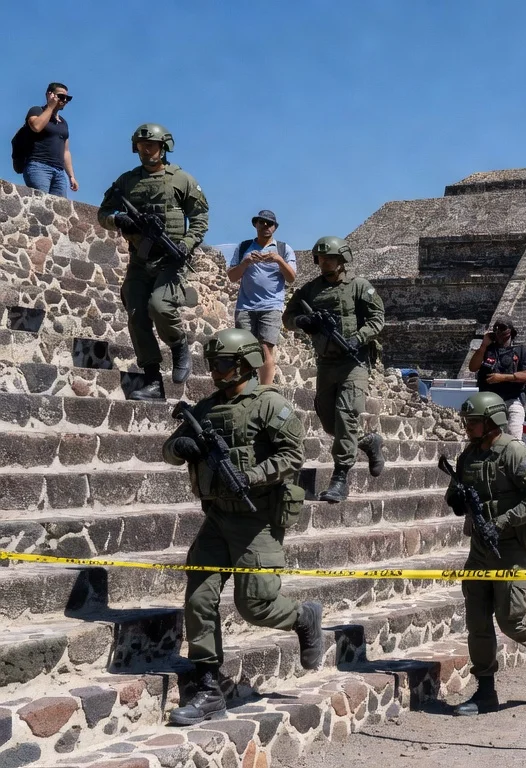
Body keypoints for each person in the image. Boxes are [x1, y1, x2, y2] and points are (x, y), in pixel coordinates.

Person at [161, 329, 322, 726]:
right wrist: (180, 447)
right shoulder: (206, 407)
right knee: (199, 598)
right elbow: (169, 448)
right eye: (212, 364)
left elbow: (292, 456)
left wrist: (251, 475)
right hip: (217, 517)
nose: (215, 372)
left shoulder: (270, 405)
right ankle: (208, 687)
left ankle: (303, 617)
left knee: (257, 606)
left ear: (246, 364)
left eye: (222, 364)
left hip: (257, 519)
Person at [449, 392, 526, 715]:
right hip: (480, 549)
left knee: (512, 618)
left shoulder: (515, 453)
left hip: (512, 546)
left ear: (491, 423)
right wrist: (457, 498)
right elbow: (457, 497)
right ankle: (485, 692)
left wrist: (501, 522)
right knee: (477, 621)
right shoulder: (469, 455)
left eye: (473, 422)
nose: (467, 427)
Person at [98, 124, 208, 402]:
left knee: (159, 306)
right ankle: (153, 381)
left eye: (151, 145)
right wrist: (118, 220)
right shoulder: (126, 181)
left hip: (170, 260)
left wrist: (185, 245)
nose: (146, 150)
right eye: (141, 145)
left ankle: (179, 346)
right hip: (139, 259)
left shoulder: (181, 179)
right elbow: (104, 213)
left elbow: (200, 217)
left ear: (164, 146)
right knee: (136, 315)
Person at [284, 236, 386, 503]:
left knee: (346, 414)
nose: (323, 262)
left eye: (328, 257)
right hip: (326, 361)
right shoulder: (310, 290)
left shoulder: (359, 287)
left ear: (342, 260)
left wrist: (359, 337)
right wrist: (303, 320)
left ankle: (340, 478)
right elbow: (288, 317)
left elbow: (377, 318)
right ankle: (367, 441)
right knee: (330, 422)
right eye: (320, 258)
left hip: (354, 361)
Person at [226, 210, 296, 385]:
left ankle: (264, 392)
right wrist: (246, 262)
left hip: (271, 306)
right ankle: (244, 387)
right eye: (261, 222)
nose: (265, 226)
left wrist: (278, 260)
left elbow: (291, 278)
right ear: (255, 224)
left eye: (269, 223)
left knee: (265, 349)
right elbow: (232, 277)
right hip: (245, 307)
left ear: (275, 228)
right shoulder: (243, 248)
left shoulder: (283, 249)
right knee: (243, 350)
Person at [469, 320, 526, 439]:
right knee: (487, 437)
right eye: (496, 328)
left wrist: (502, 378)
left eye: (502, 328)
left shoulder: (521, 350)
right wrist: (483, 345)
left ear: (511, 331)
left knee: (514, 436)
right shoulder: (488, 350)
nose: (498, 331)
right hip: (489, 400)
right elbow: (473, 367)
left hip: (513, 399)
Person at [20, 83, 78, 197]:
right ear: (49, 95)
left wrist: (71, 176)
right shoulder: (36, 111)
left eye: (68, 98)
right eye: (61, 96)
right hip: (38, 166)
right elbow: (36, 127)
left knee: (60, 210)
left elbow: (66, 151)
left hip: (59, 172)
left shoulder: (63, 123)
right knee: (41, 204)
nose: (65, 100)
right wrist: (50, 107)